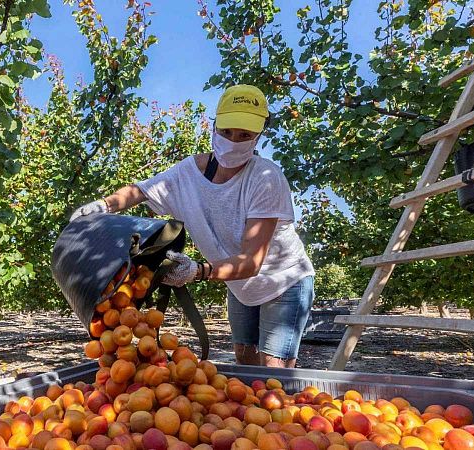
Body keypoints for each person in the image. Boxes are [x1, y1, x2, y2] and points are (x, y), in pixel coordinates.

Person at [71, 85, 315, 368]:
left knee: (273, 371)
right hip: (239, 286)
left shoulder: (265, 179)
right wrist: (103, 206)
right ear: (214, 126)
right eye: (226, 132)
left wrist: (198, 271)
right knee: (246, 363)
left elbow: (251, 262)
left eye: (244, 135)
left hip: (283, 281)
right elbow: (142, 190)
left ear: (258, 137)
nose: (233, 141)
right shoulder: (189, 173)